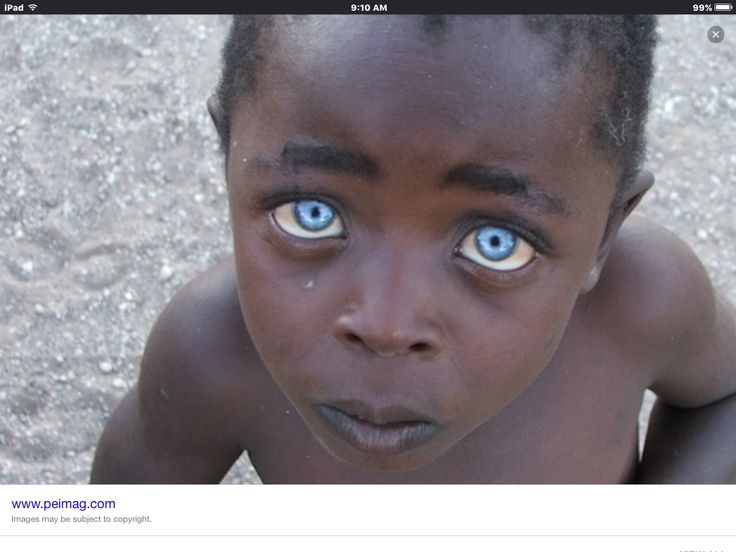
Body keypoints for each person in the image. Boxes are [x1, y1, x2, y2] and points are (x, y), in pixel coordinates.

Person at [90, 15, 736, 483]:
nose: (387, 326)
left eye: (496, 243)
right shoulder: (209, 353)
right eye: (311, 215)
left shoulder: (645, 299)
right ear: (229, 156)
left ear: (606, 232)